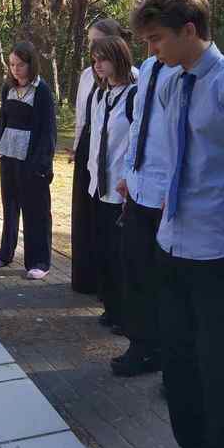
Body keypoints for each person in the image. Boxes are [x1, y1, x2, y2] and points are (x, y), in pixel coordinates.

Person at [132, 0, 224, 448]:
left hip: (219, 256)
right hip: (171, 246)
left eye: (155, 40)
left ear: (189, 31)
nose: (151, 52)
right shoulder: (172, 83)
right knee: (180, 366)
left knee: (221, 376)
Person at [112, 53, 179, 377]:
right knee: (135, 269)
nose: (150, 45)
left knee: (166, 281)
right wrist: (128, 171)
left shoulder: (189, 73)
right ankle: (141, 346)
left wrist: (175, 190)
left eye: (156, 36)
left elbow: (185, 136)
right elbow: (138, 124)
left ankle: (170, 357)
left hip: (169, 197)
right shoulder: (151, 68)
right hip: (140, 189)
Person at [70, 18, 134, 294]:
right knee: (89, 222)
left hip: (118, 163)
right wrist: (76, 147)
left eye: (97, 43)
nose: (94, 55)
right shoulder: (90, 80)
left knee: (114, 231)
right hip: (91, 154)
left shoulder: (134, 82)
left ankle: (114, 293)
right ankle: (91, 280)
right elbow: (82, 118)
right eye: (90, 45)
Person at [0, 41, 56, 279]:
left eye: (20, 64)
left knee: (36, 210)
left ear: (31, 64)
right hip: (10, 155)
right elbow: (3, 119)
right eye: (12, 64)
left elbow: (48, 130)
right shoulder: (8, 88)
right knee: (10, 205)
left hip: (33, 159)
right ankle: (6, 252)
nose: (15, 69)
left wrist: (42, 162)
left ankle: (39, 261)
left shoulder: (42, 90)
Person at [87, 36, 137, 334]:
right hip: (99, 186)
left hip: (121, 190)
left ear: (117, 57)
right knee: (104, 251)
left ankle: (126, 314)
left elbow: (136, 142)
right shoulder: (100, 95)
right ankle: (111, 307)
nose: (98, 65)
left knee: (122, 257)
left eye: (102, 59)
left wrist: (129, 179)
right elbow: (97, 139)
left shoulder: (134, 95)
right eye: (94, 60)